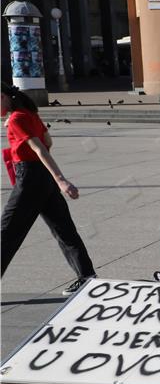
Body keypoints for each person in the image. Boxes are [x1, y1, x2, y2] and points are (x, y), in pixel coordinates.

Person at [0, 82, 96, 295]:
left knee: (6, 233)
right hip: (43, 178)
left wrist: (61, 180)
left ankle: (86, 276)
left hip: (29, 179)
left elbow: (40, 148)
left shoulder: (17, 118)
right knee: (64, 229)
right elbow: (48, 141)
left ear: (2, 97)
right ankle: (87, 276)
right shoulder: (29, 114)